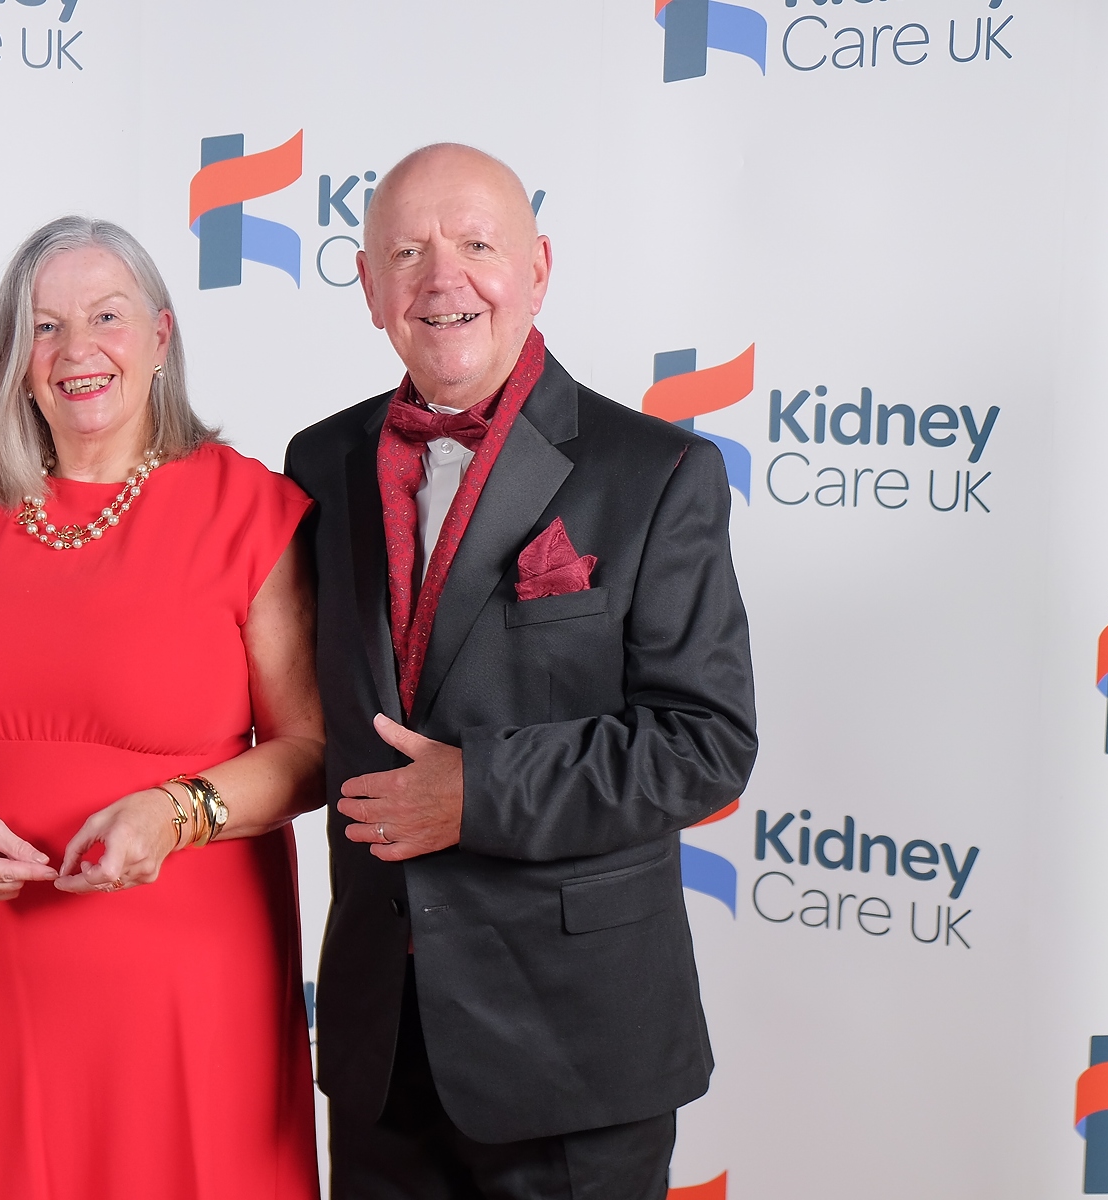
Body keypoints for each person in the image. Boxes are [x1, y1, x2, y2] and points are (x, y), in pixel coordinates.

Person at [284, 145, 758, 1198]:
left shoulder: (660, 473)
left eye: (477, 246)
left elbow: (707, 743)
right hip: (378, 1048)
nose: (442, 280)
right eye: (406, 253)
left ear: (538, 269)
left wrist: (477, 791)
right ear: (368, 288)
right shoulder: (319, 465)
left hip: (575, 1057)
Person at [0, 216, 323, 1200]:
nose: (78, 351)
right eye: (45, 326)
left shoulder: (249, 511)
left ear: (160, 337)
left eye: (107, 317)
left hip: (189, 987)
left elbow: (311, 748)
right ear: (15, 363)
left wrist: (179, 810)